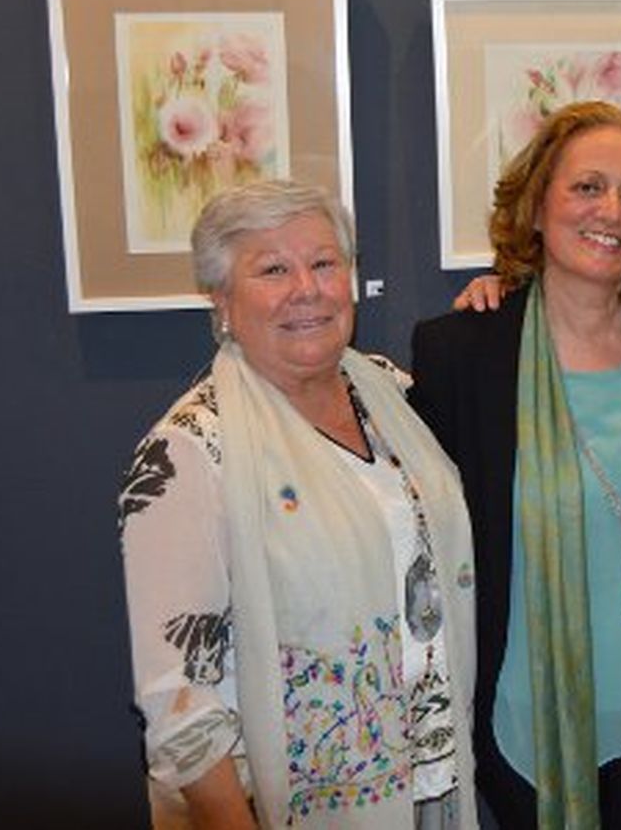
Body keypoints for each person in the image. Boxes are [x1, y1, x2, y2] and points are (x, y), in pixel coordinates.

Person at [410, 101, 621, 828]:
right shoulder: (464, 353)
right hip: (532, 720)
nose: (613, 212)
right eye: (587, 187)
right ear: (536, 205)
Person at [116, 180, 477, 829]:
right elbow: (179, 705)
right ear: (221, 299)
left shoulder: (391, 393)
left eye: (323, 263)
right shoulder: (188, 451)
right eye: (273, 269)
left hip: (433, 785)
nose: (306, 288)